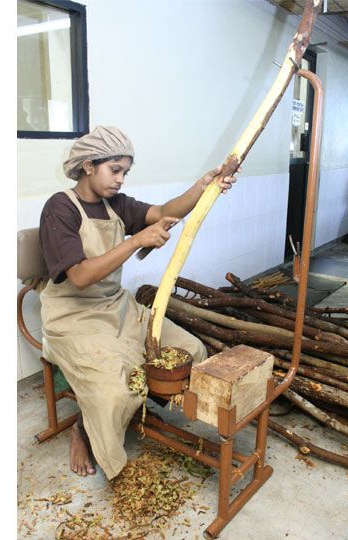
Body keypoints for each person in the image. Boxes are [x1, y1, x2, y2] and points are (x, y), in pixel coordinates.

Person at [38, 126, 237, 479]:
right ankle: (83, 431)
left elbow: (164, 210)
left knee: (191, 350)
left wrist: (203, 186)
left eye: (125, 172)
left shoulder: (115, 204)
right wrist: (135, 242)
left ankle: (139, 408)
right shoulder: (60, 208)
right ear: (87, 165)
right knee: (116, 393)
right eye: (114, 170)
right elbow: (80, 277)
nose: (120, 179)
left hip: (117, 306)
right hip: (73, 316)